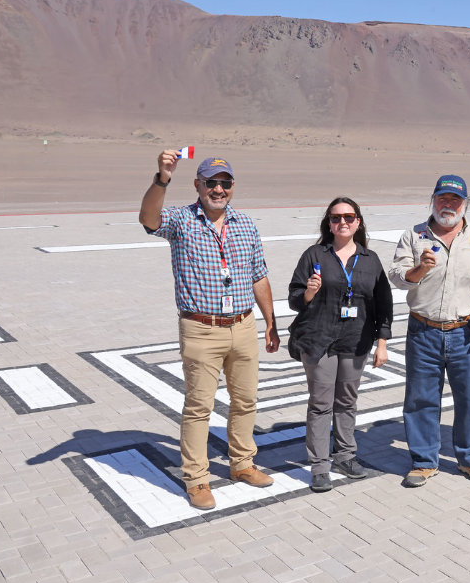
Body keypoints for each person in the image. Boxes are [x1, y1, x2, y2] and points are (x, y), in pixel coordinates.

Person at [139, 153, 279, 511]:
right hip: (201, 329)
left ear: (233, 187)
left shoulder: (246, 224)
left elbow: (258, 274)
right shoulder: (181, 220)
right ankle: (197, 478)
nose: (218, 189)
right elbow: (148, 218)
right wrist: (162, 179)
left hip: (243, 325)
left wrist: (271, 323)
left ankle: (242, 463)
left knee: (246, 401)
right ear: (198, 185)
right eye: (211, 182)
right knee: (199, 407)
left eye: (225, 183)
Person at [388, 175, 470, 488]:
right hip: (423, 331)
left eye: (454, 199)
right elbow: (397, 277)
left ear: (466, 204)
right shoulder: (414, 235)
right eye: (442, 198)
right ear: (433, 200)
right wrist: (420, 269)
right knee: (421, 399)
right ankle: (424, 462)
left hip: (465, 330)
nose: (448, 204)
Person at [287, 197, 392, 493]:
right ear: (329, 224)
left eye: (348, 217)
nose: (342, 222)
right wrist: (308, 292)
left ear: (358, 221)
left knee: (346, 402)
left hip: (356, 340)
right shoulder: (314, 254)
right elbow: (294, 298)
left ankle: (345, 456)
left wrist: (382, 342)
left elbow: (383, 303)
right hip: (319, 340)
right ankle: (320, 466)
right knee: (321, 404)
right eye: (336, 218)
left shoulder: (370, 260)